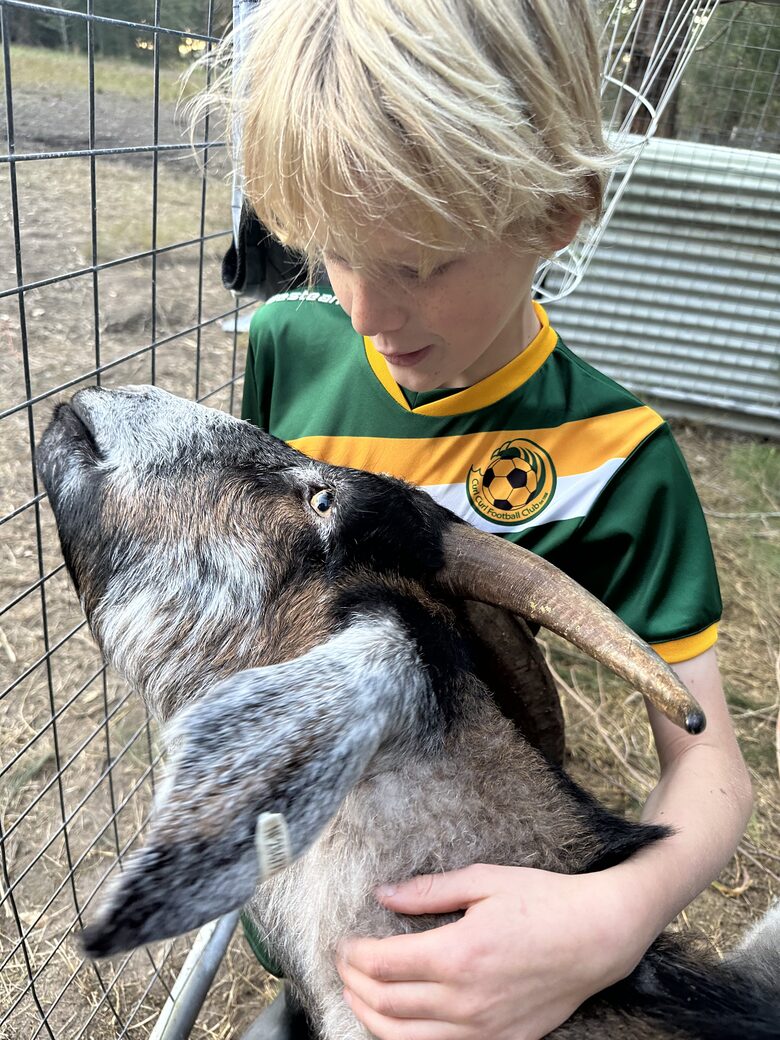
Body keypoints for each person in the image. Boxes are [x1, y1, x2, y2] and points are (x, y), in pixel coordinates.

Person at [228, 1, 754, 1037]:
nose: (368, 312)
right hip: (304, 903)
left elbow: (713, 767)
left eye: (420, 263)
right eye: (335, 248)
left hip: (465, 949)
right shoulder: (288, 344)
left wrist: (612, 919)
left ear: (558, 212)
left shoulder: (616, 457)